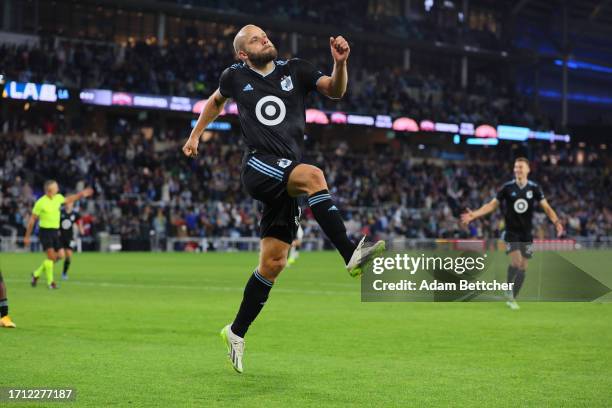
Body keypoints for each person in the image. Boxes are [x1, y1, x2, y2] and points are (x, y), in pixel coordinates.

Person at [182, 25, 385, 373]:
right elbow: (215, 103)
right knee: (314, 176)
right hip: (259, 166)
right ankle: (350, 253)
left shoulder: (296, 69)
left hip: (285, 174)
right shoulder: (234, 76)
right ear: (242, 54)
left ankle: (235, 331)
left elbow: (335, 91)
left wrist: (340, 64)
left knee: (274, 263)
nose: (265, 39)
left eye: (264, 35)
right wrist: (195, 135)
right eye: (254, 39)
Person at [461, 157, 564, 309]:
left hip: (526, 234)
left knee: (523, 267)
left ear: (528, 170)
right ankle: (508, 289)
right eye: (516, 167)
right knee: (516, 262)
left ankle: (512, 298)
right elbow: (491, 205)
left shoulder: (534, 188)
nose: (517, 170)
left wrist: (557, 222)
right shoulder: (507, 188)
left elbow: (547, 208)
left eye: (521, 167)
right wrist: (474, 215)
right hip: (511, 232)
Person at [24, 180, 93, 289]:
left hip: (55, 232)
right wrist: (27, 236)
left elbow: (69, 199)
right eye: (56, 187)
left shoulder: (58, 197)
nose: (58, 189)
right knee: (51, 257)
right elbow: (32, 220)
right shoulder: (40, 202)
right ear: (49, 190)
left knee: (60, 255)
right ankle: (50, 283)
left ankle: (36, 274)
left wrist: (81, 194)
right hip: (45, 232)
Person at [58, 202, 83, 280]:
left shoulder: (75, 214)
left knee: (68, 256)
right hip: (60, 238)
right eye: (67, 203)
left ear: (72, 204)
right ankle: (49, 264)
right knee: (60, 256)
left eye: (70, 203)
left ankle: (64, 273)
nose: (68, 205)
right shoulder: (60, 212)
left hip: (70, 238)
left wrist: (81, 229)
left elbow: (79, 222)